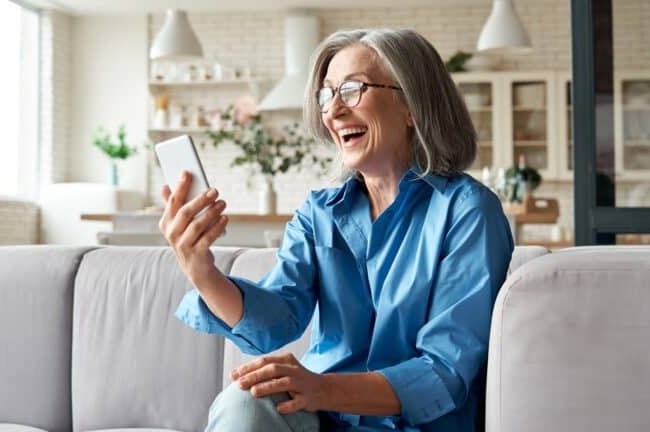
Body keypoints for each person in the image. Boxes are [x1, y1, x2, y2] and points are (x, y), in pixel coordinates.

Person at [159, 28, 514, 432]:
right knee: (245, 401)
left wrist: (321, 388)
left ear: (412, 104)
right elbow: (275, 320)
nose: (332, 111)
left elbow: (445, 371)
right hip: (321, 417)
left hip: (413, 425)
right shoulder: (319, 213)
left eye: (350, 90)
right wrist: (201, 271)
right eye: (327, 95)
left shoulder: (467, 211)